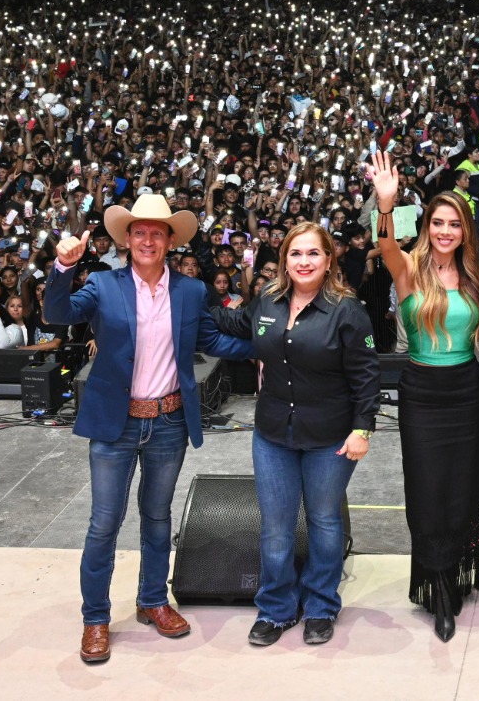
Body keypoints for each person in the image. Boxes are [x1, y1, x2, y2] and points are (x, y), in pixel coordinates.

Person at [43, 193, 235, 665]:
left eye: (157, 233)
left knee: (157, 516)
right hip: (116, 422)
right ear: (127, 240)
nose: (148, 240)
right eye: (140, 232)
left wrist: (274, 345)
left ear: (170, 241)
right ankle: (95, 618)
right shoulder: (102, 285)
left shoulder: (191, 290)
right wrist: (63, 267)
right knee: (104, 524)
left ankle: (152, 600)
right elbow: (57, 313)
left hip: (169, 420)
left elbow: (212, 339)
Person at [206, 221, 379, 648]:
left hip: (330, 437)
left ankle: (320, 606)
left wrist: (362, 428)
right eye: (295, 253)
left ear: (329, 259)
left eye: (313, 253)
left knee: (324, 522)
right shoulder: (267, 300)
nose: (304, 261)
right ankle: (277, 608)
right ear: (284, 259)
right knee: (276, 528)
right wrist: (188, 298)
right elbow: (233, 322)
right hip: (272, 435)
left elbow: (366, 376)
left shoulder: (347, 310)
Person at [368, 152, 479, 643]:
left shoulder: (475, 272)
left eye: (454, 224)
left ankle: (455, 571)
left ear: (465, 230)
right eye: (438, 222)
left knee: (461, 487)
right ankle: (436, 583)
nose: (445, 231)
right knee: (425, 489)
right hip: (421, 392)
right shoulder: (408, 269)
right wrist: (386, 203)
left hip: (467, 392)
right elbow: (385, 243)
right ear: (426, 226)